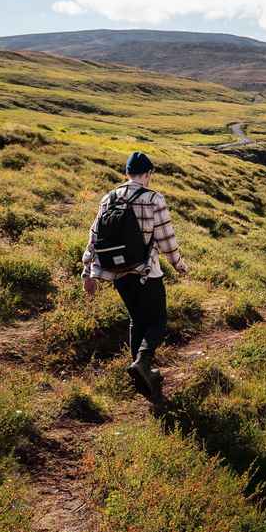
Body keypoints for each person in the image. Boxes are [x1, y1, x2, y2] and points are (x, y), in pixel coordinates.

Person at [81, 152, 189, 399]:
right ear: (148, 174)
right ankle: (142, 363)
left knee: (136, 320)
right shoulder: (153, 198)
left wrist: (88, 272)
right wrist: (179, 265)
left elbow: (94, 238)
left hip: (118, 273)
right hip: (146, 271)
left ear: (127, 173)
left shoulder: (108, 198)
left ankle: (142, 375)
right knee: (158, 321)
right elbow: (166, 239)